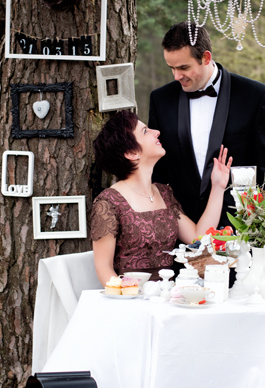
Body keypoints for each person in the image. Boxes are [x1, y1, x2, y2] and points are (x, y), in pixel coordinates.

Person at [147, 22, 265, 229]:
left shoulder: (255, 96)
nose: (177, 76)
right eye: (172, 68)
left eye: (184, 67)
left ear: (206, 58)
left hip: (242, 228)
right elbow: (157, 172)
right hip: (182, 231)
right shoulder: (161, 100)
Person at [89, 110, 232, 285]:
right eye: (145, 131)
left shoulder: (164, 192)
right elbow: (104, 269)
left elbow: (199, 237)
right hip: (132, 299)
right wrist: (130, 300)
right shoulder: (108, 203)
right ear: (132, 153)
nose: (156, 132)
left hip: (169, 296)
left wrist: (218, 186)